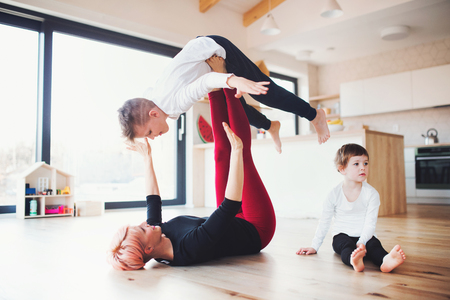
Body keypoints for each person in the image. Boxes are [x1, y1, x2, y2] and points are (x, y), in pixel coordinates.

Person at [108, 88, 276, 270]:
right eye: (142, 229)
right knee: (241, 154)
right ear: (148, 248)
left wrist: (147, 157)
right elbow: (230, 205)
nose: (145, 223)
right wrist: (236, 152)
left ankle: (215, 87)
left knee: (220, 154)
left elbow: (152, 201)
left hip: (230, 218)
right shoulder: (189, 248)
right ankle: (229, 84)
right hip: (256, 228)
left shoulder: (156, 239)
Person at [117, 35, 330, 153]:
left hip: (216, 51)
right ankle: (270, 126)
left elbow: (205, 82)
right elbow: (141, 100)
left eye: (148, 134)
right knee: (234, 107)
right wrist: (135, 137)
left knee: (264, 93)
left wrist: (233, 80)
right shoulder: (154, 101)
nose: (153, 138)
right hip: (206, 56)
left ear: (154, 114)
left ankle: (314, 115)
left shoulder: (172, 104)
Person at [296, 144, 406, 273]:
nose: (362, 168)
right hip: (341, 236)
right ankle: (354, 261)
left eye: (365, 163)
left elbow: (370, 223)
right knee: (346, 247)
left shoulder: (372, 194)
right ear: (342, 169)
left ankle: (385, 261)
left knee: (374, 246)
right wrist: (314, 246)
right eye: (356, 164)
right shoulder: (334, 194)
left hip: (365, 235)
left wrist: (362, 241)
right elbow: (324, 222)